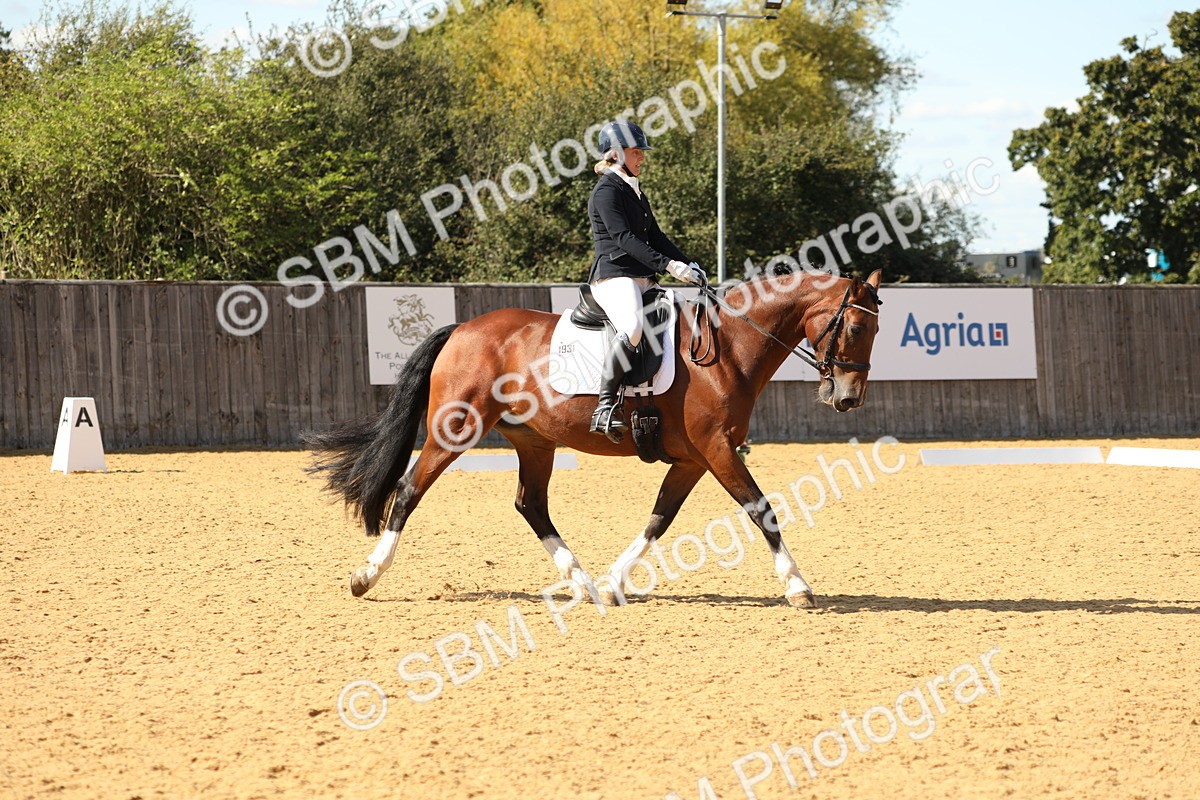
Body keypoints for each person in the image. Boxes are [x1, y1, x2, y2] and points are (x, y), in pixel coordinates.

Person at [586, 120, 705, 443]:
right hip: (614, 275)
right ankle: (605, 406)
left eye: (641, 152)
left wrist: (687, 263)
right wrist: (668, 266)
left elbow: (655, 236)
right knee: (634, 328)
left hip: (642, 277)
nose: (642, 158)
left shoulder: (633, 189)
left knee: (680, 319)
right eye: (636, 152)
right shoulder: (606, 192)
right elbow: (624, 239)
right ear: (616, 154)